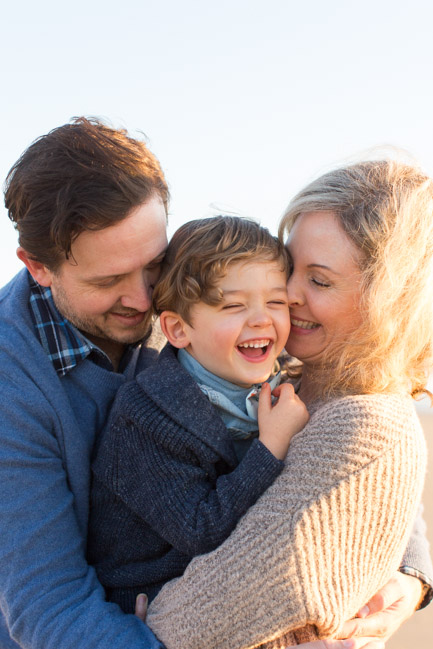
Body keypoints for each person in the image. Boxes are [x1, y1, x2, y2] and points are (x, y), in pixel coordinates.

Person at [0, 117, 430, 649]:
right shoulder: (11, 387)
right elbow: (50, 608)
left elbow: (348, 438)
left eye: (153, 264)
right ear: (38, 267)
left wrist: (408, 577)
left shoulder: (201, 295)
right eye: (108, 281)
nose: (145, 300)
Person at [145, 159, 433, 649]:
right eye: (288, 268)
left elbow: (213, 611)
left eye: (319, 281)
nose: (287, 296)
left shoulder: (366, 416)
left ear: (389, 301)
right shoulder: (292, 372)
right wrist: (415, 572)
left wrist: (130, 618)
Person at [88, 216, 309, 612]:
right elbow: (199, 529)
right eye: (233, 305)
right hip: (150, 596)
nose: (262, 318)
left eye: (276, 301)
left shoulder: (287, 381)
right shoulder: (147, 414)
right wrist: (271, 446)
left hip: (220, 579)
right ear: (178, 330)